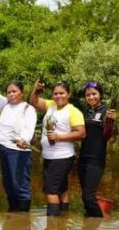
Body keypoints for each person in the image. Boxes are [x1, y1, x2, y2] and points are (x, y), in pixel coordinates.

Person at [29, 80, 86, 216]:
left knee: (51, 191)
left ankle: (52, 225)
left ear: (68, 95)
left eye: (62, 93)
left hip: (62, 156)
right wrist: (36, 90)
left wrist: (59, 137)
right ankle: (63, 221)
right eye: (55, 93)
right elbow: (34, 101)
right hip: (50, 156)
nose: (58, 96)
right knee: (61, 188)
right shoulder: (51, 106)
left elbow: (81, 133)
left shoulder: (73, 111)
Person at [0, 72, 37, 212]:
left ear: (22, 93)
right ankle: (13, 213)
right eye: (8, 92)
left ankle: (23, 217)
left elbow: (29, 127)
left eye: (14, 91)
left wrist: (24, 140)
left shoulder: (28, 108)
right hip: (4, 148)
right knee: (8, 183)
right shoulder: (5, 105)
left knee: (20, 184)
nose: (11, 94)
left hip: (19, 150)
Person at [77, 81, 116, 217]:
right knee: (85, 198)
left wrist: (110, 122)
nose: (91, 97)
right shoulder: (85, 111)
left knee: (88, 196)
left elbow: (107, 135)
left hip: (96, 159)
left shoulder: (106, 111)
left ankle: (101, 221)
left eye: (94, 94)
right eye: (88, 95)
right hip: (82, 158)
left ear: (100, 95)